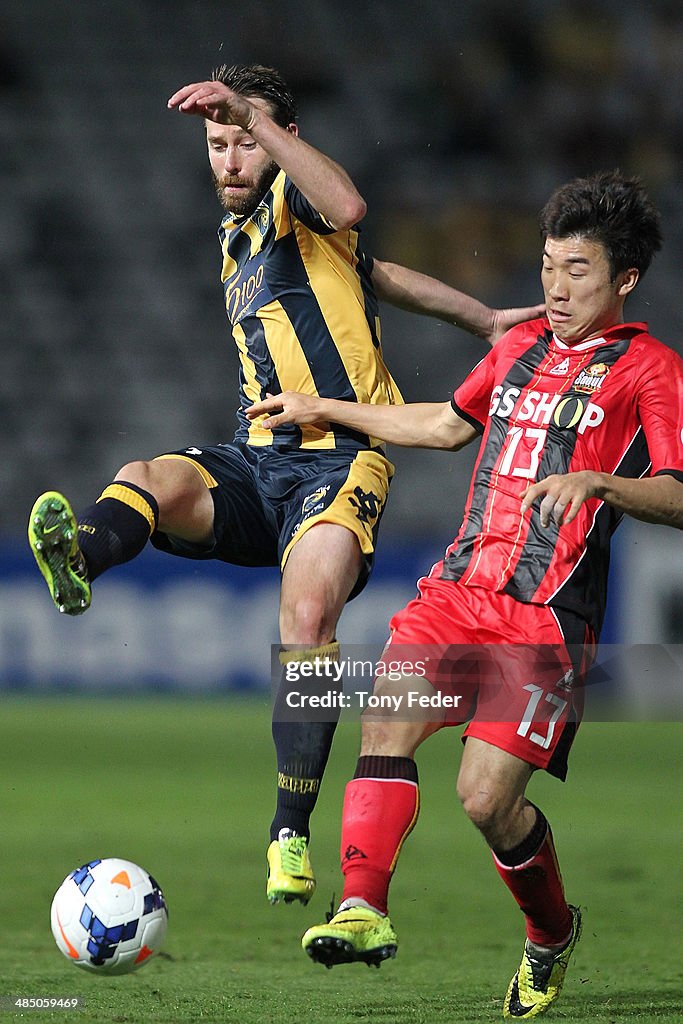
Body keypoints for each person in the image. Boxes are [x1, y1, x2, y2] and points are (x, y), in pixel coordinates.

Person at [27, 64, 542, 910]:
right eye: (217, 142)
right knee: (144, 477)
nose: (230, 159)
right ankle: (80, 559)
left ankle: (289, 832)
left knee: (306, 618)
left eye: (243, 140)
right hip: (255, 456)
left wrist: (266, 131)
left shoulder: (296, 196)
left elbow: (348, 211)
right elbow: (373, 270)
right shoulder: (239, 239)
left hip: (341, 457)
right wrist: (481, 318)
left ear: (278, 142)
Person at [247, 170, 683, 1018]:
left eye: (578, 272)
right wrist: (323, 406)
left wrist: (598, 481)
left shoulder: (651, 371)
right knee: (385, 718)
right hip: (455, 591)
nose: (554, 288)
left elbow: (677, 491)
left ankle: (551, 933)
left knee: (486, 802)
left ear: (623, 280)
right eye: (549, 267)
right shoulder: (517, 348)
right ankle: (362, 907)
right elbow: (445, 425)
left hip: (546, 617)